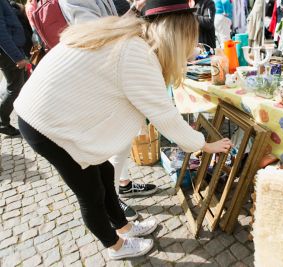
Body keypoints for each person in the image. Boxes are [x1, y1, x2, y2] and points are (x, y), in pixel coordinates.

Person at [14, 0, 232, 259]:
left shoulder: (132, 37)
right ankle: (115, 246)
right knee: (90, 191)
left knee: (104, 171)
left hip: (49, 114)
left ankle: (124, 227)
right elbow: (166, 117)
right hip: (44, 125)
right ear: (176, 34)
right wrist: (205, 145)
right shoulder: (136, 53)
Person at [59, 0, 155, 220]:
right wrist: (135, 10)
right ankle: (113, 203)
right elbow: (98, 35)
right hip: (96, 77)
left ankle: (124, 185)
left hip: (106, 71)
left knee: (121, 139)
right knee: (113, 142)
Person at [0, 0, 29, 136]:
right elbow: (1, 33)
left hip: (14, 50)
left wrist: (15, 7)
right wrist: (17, 57)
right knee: (14, 89)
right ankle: (2, 122)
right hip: (8, 54)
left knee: (20, 86)